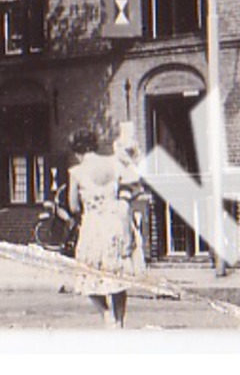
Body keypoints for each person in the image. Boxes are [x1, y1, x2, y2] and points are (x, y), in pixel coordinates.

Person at [68, 125, 146, 328]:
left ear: (77, 152)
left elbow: (73, 206)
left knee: (88, 274)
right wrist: (122, 201)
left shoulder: (76, 172)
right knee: (116, 275)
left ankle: (106, 315)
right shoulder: (114, 163)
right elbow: (136, 185)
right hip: (115, 223)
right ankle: (119, 321)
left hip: (93, 226)